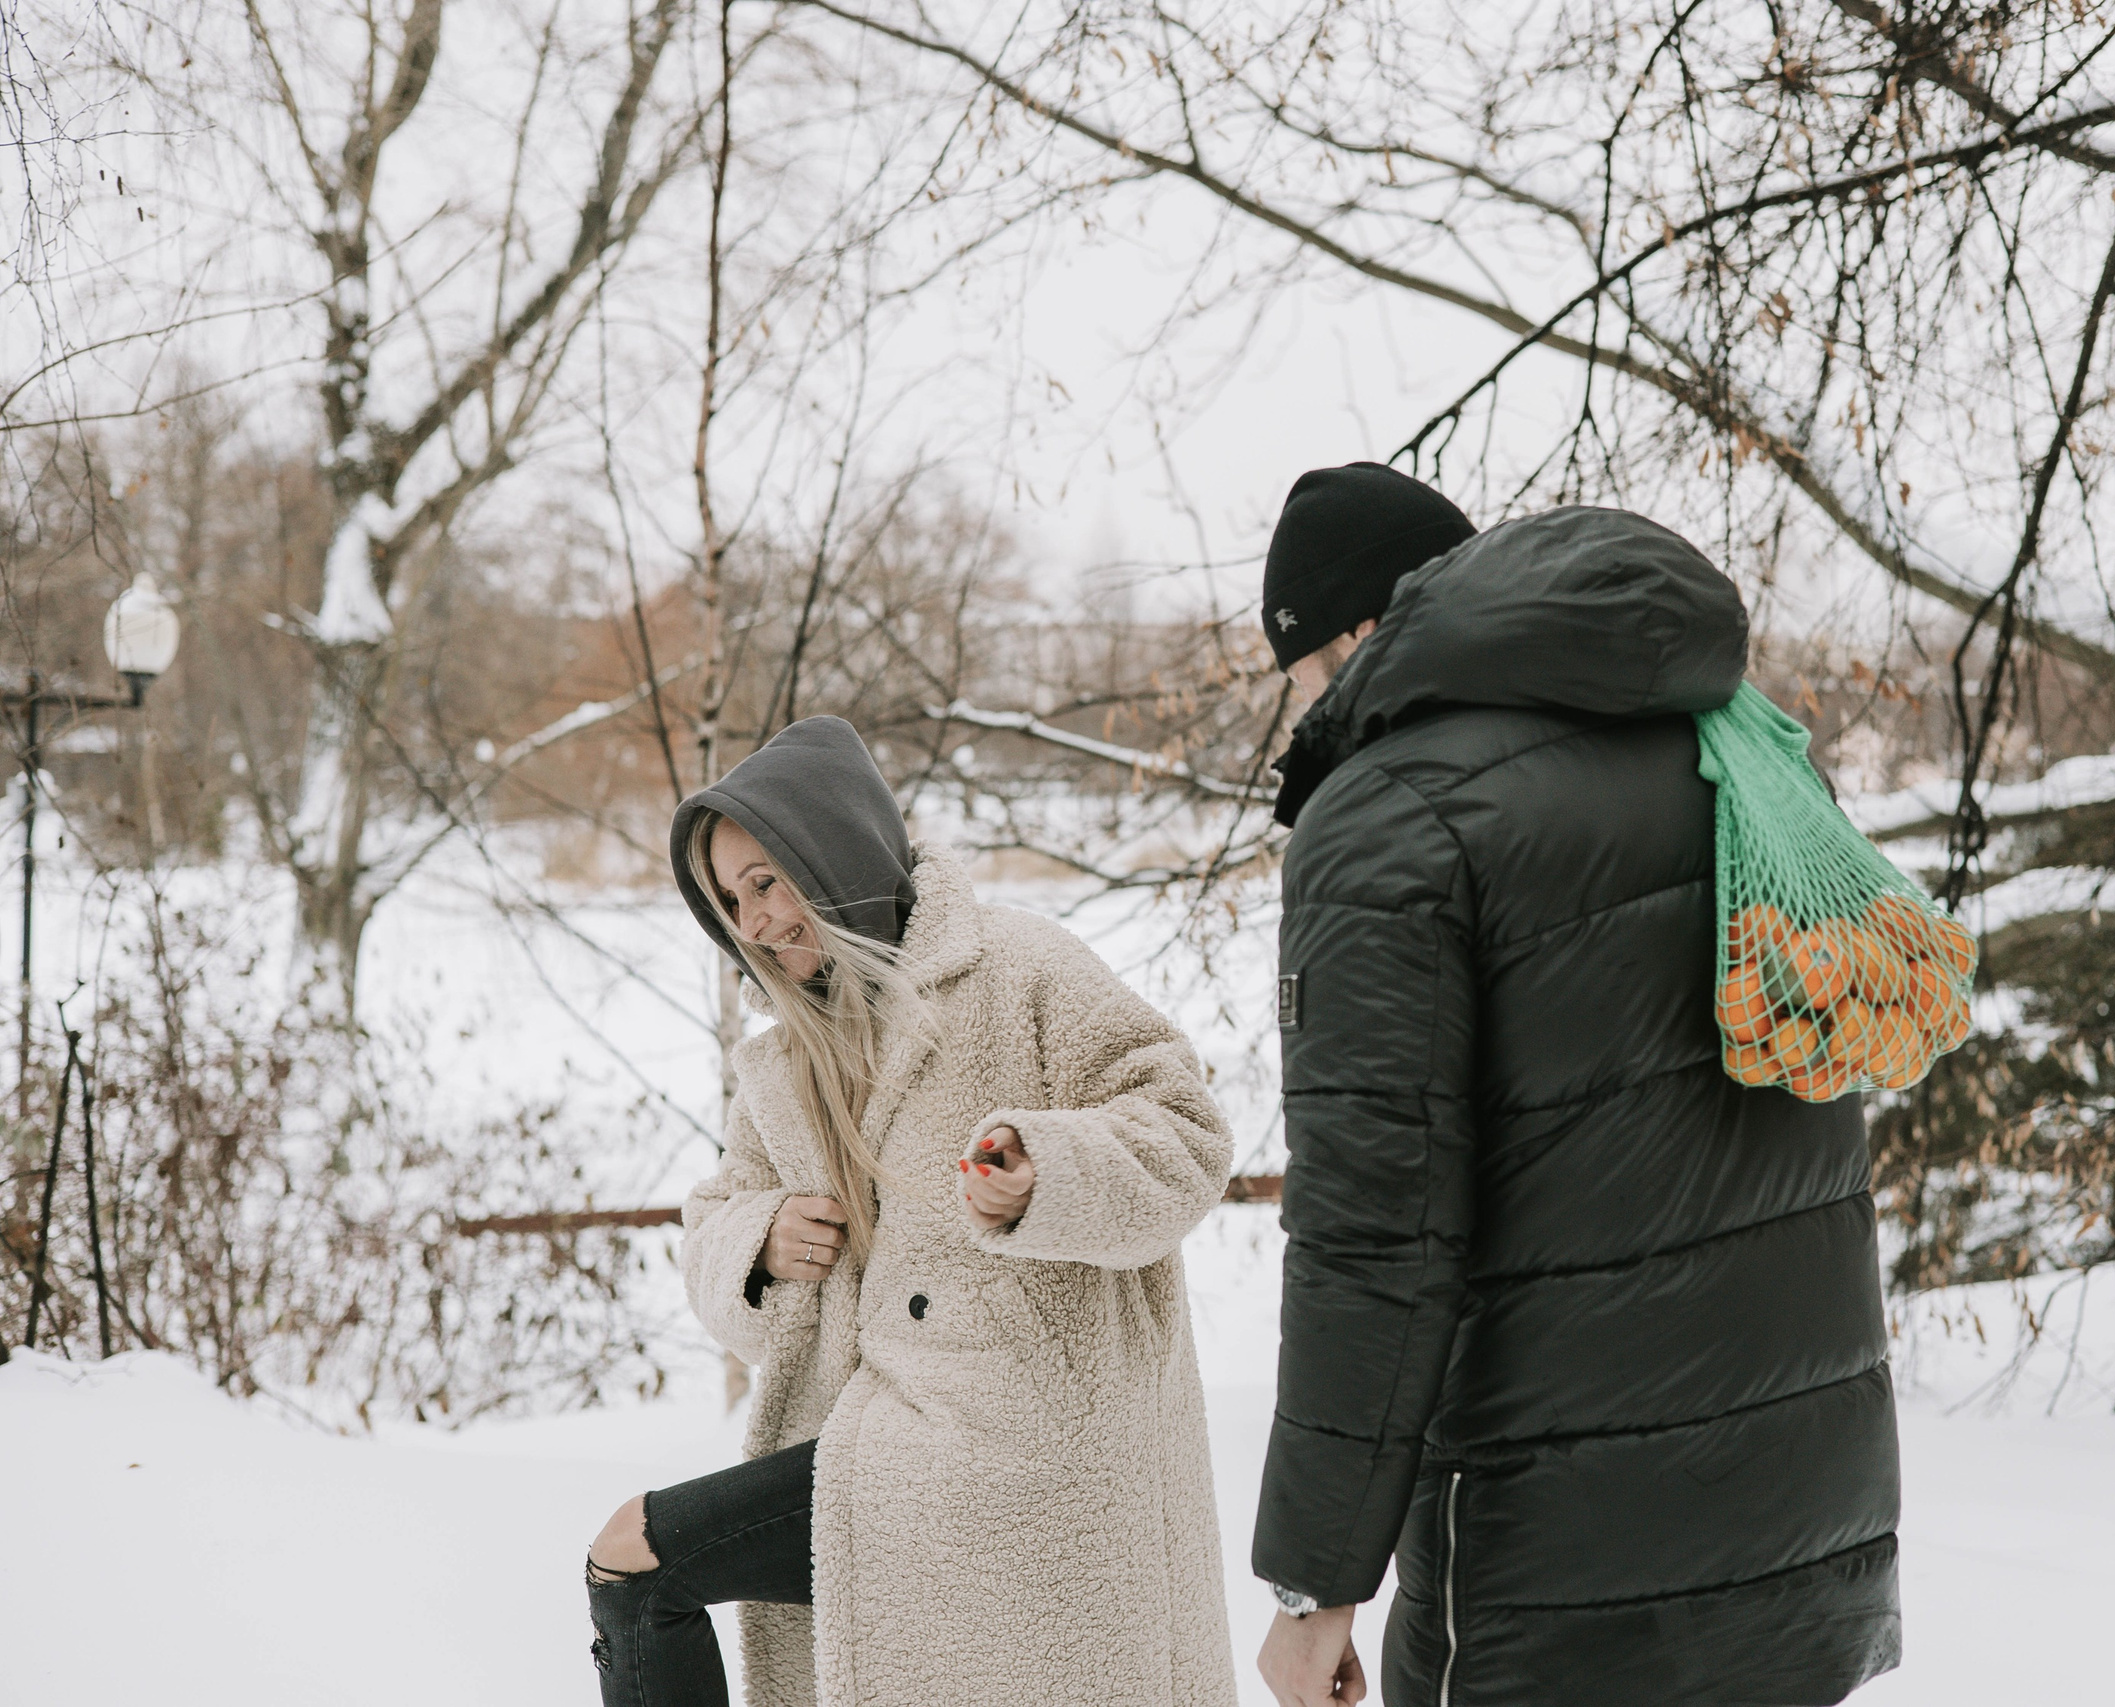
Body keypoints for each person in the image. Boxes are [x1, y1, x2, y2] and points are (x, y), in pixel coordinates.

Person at [1248, 465, 1902, 1707]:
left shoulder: (1388, 820)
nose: (1314, 711)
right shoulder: (1742, 746)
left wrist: (1313, 1587)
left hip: (1548, 1569)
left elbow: (1371, 1240)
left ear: (1354, 636)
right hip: (1805, 1528)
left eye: (1307, 678)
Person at [583, 716, 1238, 1707]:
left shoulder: (1019, 967)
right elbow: (713, 1218)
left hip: (1030, 1454)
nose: (752, 922)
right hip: (876, 1446)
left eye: (766, 880)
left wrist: (1044, 1174)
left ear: (831, 850)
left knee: (637, 1557)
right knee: (629, 1564)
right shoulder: (781, 1058)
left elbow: (1185, 1133)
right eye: (729, 900)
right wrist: (756, 1242)